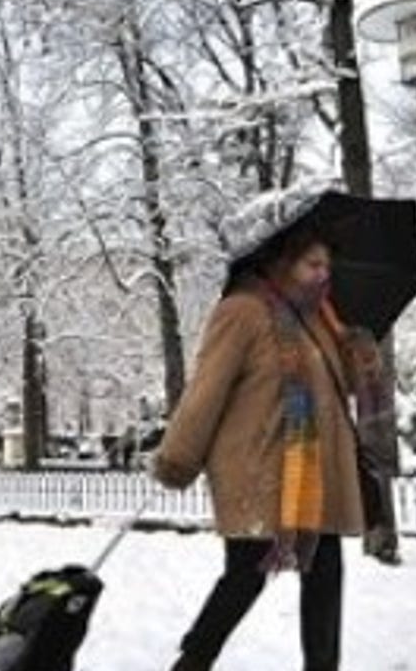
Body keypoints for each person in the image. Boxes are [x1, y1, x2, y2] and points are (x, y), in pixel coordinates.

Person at [152, 228, 371, 671]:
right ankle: (192, 661)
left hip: (316, 476)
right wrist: (178, 457)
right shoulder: (242, 312)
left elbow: (339, 387)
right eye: (313, 264)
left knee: (326, 576)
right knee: (245, 577)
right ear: (284, 262)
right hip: (260, 469)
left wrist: (357, 354)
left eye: (327, 266)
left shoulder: (320, 319)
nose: (323, 274)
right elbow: (206, 390)